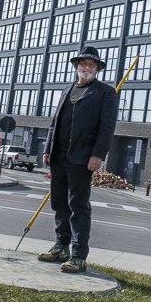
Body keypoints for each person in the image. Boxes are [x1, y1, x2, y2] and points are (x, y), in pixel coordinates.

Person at [38, 46, 119, 273]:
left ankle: (78, 255)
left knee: (78, 206)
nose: (86, 68)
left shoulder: (105, 92)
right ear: (76, 67)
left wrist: (98, 155)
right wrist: (47, 149)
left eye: (91, 65)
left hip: (82, 159)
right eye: (83, 64)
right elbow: (55, 122)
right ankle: (61, 247)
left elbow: (107, 128)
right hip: (58, 156)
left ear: (97, 69)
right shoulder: (67, 89)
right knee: (59, 204)